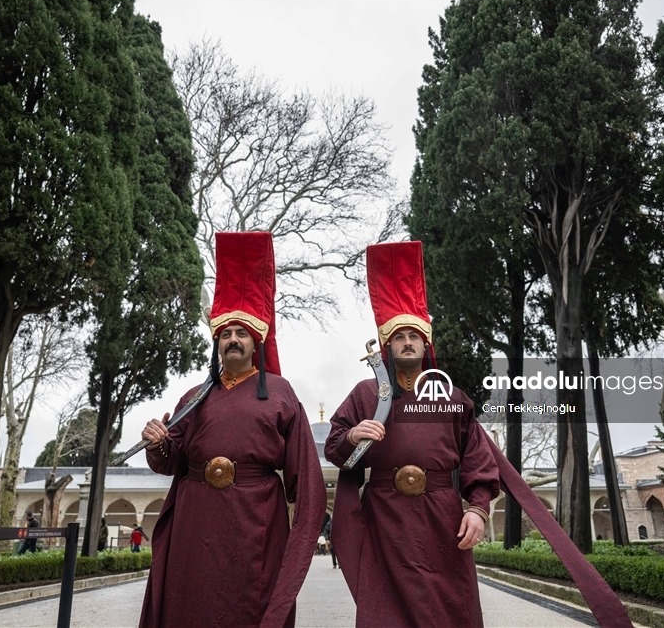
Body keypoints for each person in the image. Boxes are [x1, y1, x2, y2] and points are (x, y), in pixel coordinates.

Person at [138, 232, 326, 628]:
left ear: (255, 340)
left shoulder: (280, 393)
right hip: (196, 522)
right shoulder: (195, 395)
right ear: (217, 343)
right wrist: (157, 444)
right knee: (190, 605)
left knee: (248, 605)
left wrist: (304, 532)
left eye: (242, 333)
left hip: (255, 523)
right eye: (227, 334)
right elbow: (172, 460)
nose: (234, 340)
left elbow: (305, 478)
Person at [326, 241, 501, 628]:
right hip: (385, 518)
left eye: (414, 336)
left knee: (447, 609)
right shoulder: (366, 393)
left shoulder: (453, 397)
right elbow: (334, 449)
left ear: (426, 344)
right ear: (387, 346)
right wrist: (354, 435)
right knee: (386, 611)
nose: (407, 342)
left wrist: (477, 508)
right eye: (399, 337)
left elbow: (477, 461)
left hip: (442, 518)